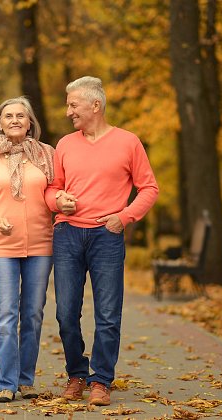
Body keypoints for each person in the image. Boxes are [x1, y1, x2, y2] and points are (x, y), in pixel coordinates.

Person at [45, 76, 158, 406]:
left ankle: (101, 380)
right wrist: (58, 201)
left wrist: (123, 218)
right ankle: (77, 374)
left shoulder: (128, 142)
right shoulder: (65, 144)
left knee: (108, 314)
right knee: (66, 313)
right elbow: (53, 189)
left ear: (96, 105)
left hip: (106, 237)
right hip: (67, 234)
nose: (68, 112)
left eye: (73, 104)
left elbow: (149, 188)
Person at [0, 97, 54, 403]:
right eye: (9, 116)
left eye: (21, 115)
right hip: (0, 246)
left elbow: (56, 191)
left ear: (30, 122)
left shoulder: (47, 155)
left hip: (41, 245)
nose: (15, 120)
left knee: (32, 314)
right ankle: (6, 383)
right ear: (0, 123)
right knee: (6, 314)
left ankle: (26, 380)